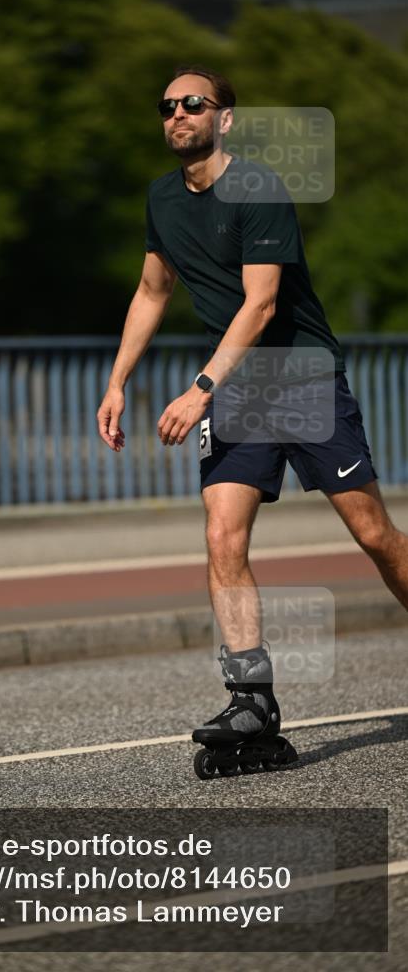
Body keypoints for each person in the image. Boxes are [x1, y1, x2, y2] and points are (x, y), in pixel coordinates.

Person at [97, 64, 408, 752]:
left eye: (193, 103)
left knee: (372, 534)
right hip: (237, 384)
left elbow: (261, 304)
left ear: (224, 118)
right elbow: (152, 291)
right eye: (167, 106)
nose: (178, 114)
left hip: (298, 376)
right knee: (221, 536)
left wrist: (199, 388)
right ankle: (251, 701)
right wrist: (117, 382)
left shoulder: (258, 188)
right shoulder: (161, 197)